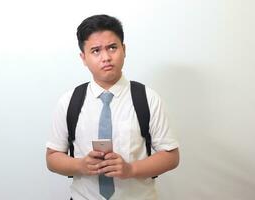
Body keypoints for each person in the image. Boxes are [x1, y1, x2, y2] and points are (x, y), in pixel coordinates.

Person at [46, 14, 179, 200]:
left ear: (124, 50)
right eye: (96, 51)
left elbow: (171, 156)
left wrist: (131, 169)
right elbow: (52, 157)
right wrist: (80, 166)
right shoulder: (69, 101)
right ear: (83, 57)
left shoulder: (147, 98)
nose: (106, 57)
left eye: (112, 48)